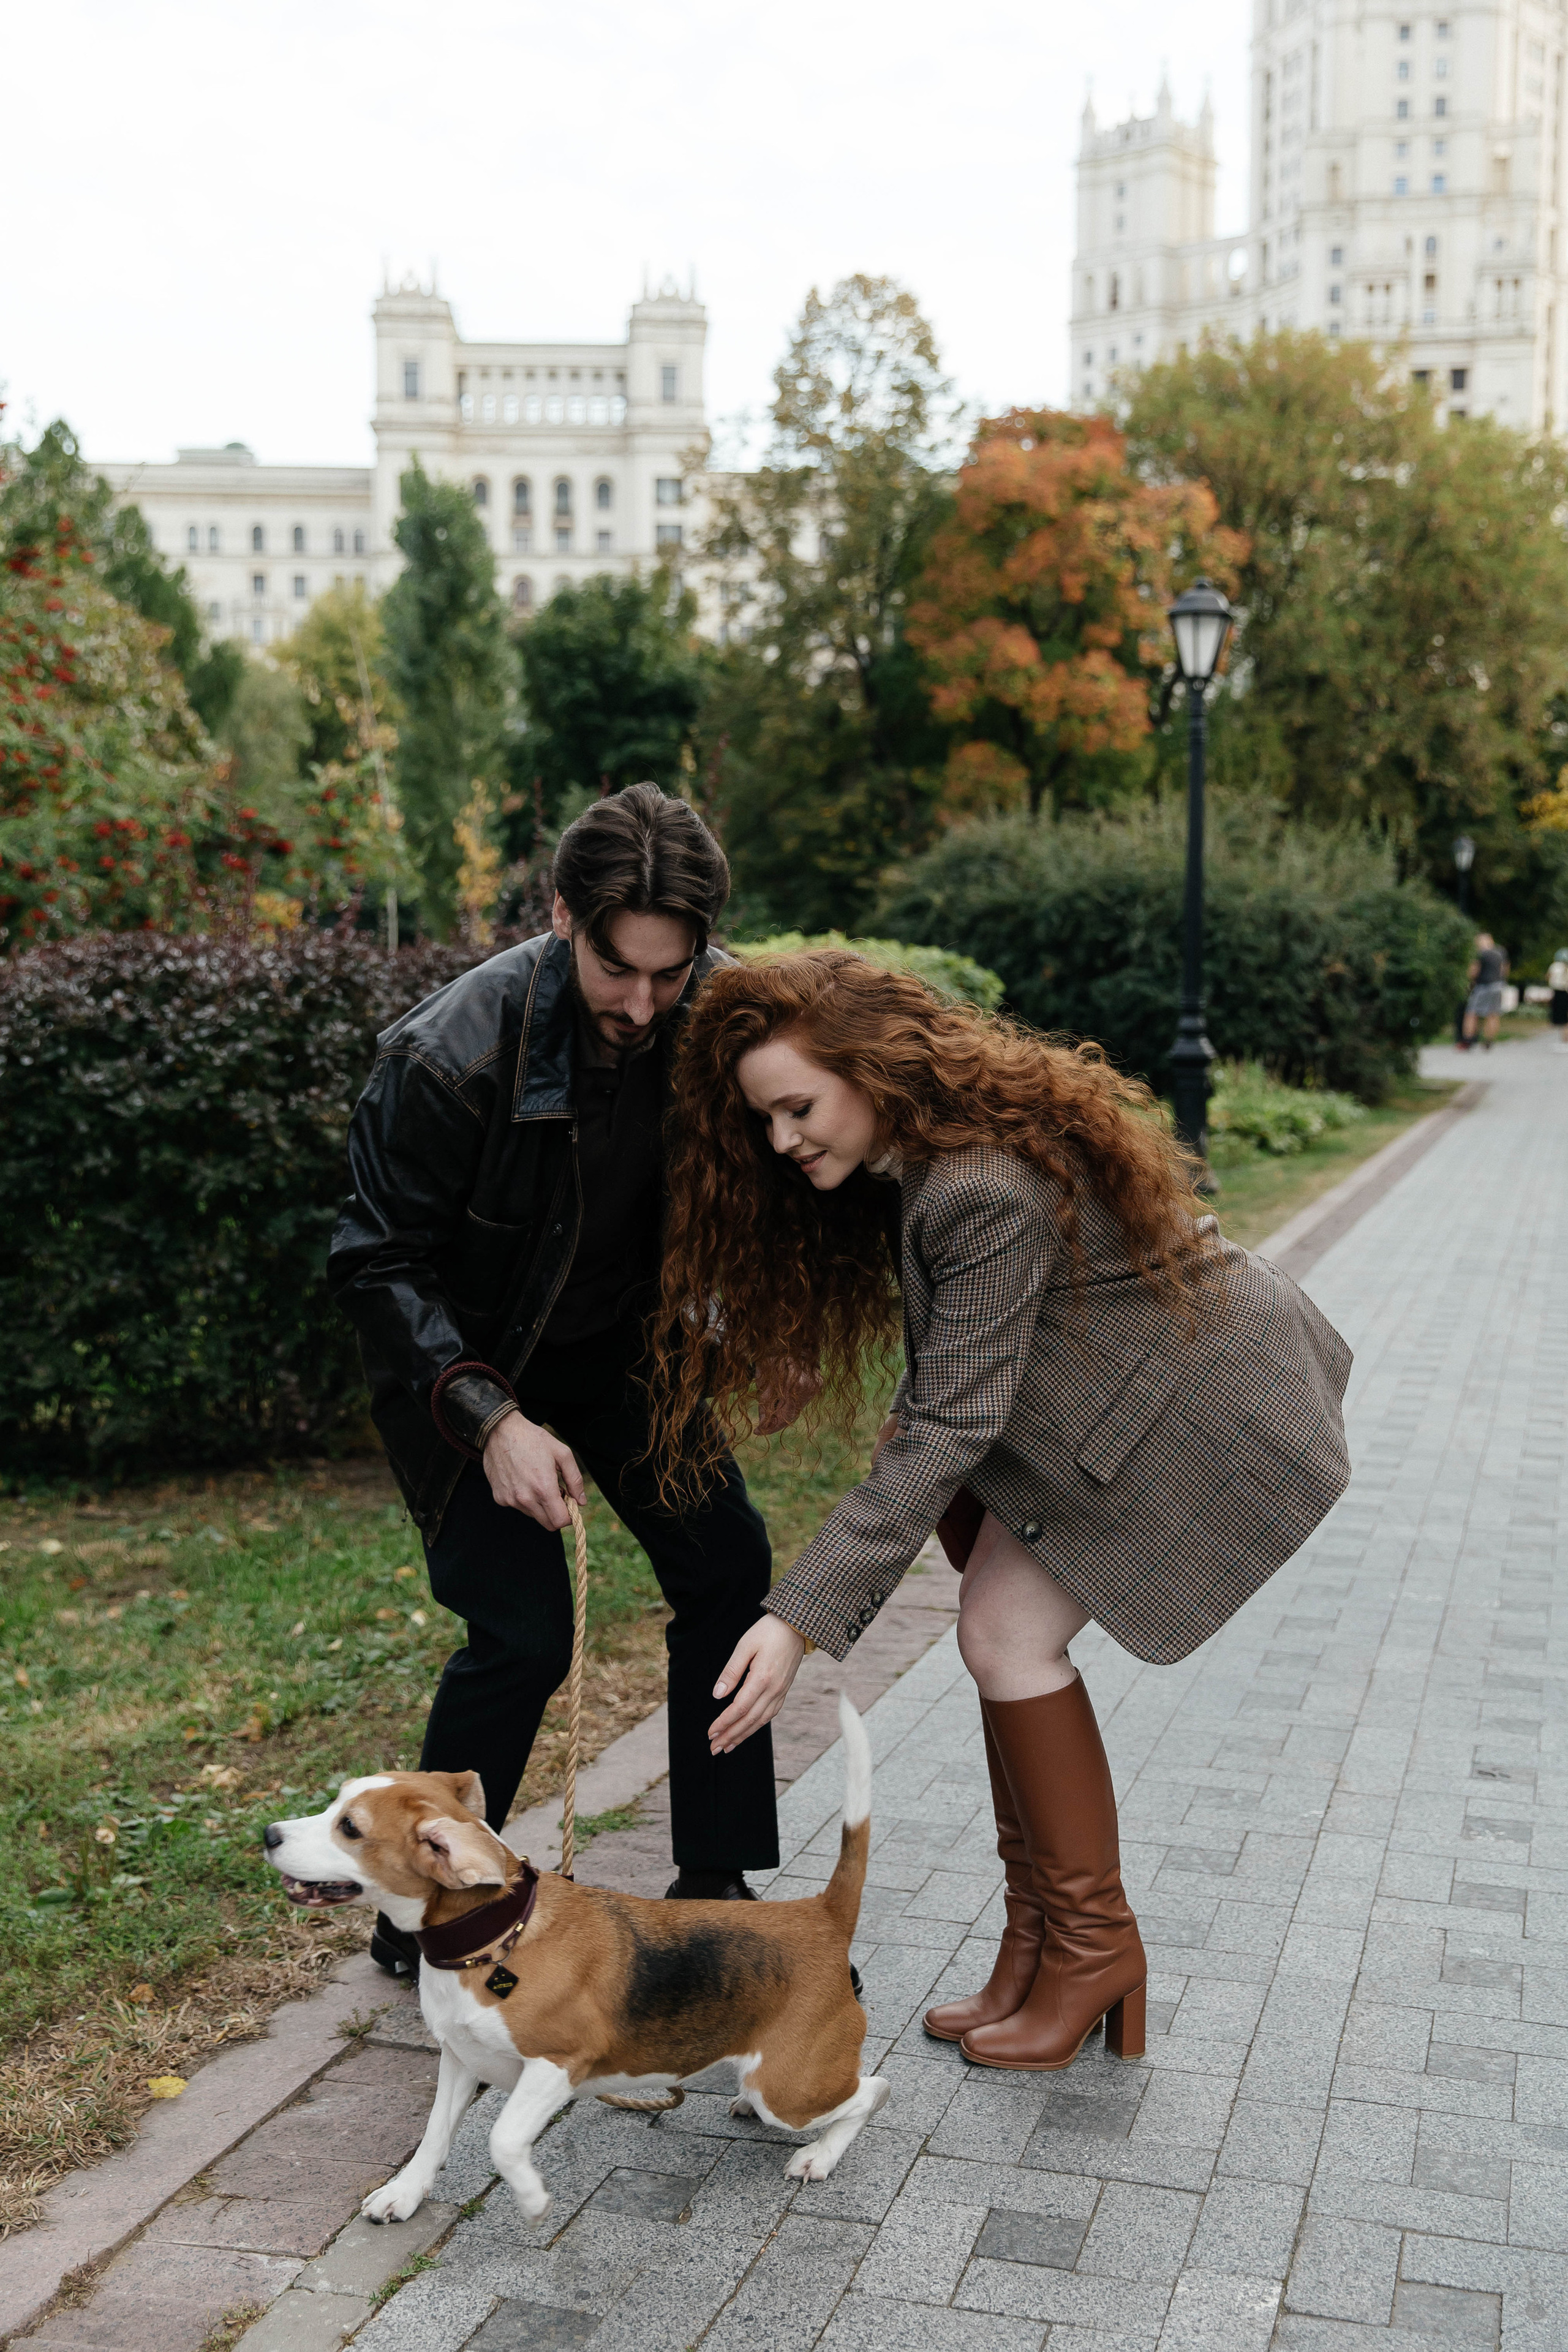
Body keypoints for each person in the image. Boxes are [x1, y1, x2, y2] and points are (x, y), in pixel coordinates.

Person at [645, 949, 1352, 2072]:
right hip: (1133, 1388)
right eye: (765, 1119)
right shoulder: (923, 1159)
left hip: (1200, 1402)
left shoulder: (977, 1184)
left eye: (798, 1107)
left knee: (1004, 1635)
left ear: (869, 1069)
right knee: (997, 1638)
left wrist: (800, 1618)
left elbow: (951, 1427)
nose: (782, 1139)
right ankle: (1036, 1943)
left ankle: (1093, 1945)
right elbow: (958, 1374)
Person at [329, 785, 786, 1979]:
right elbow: (374, 1264)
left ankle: (716, 1880)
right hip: (469, 1371)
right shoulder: (445, 1056)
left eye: (669, 972)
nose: (643, 1004)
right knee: (524, 1632)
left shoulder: (721, 1014)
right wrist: (490, 1421)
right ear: (558, 916)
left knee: (727, 1561)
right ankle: (416, 1911)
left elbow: (806, 1153)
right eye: (614, 968)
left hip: (626, 1355)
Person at [1461, 932, 1509, 1050]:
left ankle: (1467, 1040)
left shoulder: (1480, 954)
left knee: (1471, 1013)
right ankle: (1489, 1041)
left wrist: (1469, 980)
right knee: (1493, 1014)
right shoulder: (1500, 952)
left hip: (1483, 986)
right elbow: (1505, 969)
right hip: (1498, 985)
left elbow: (1474, 971)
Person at [1547, 947, 1568, 1049]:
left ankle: (1565, 1039)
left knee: (1561, 1017)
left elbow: (1549, 977)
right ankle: (1565, 1038)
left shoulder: (1555, 966)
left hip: (1559, 992)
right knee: (1565, 1016)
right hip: (1566, 992)